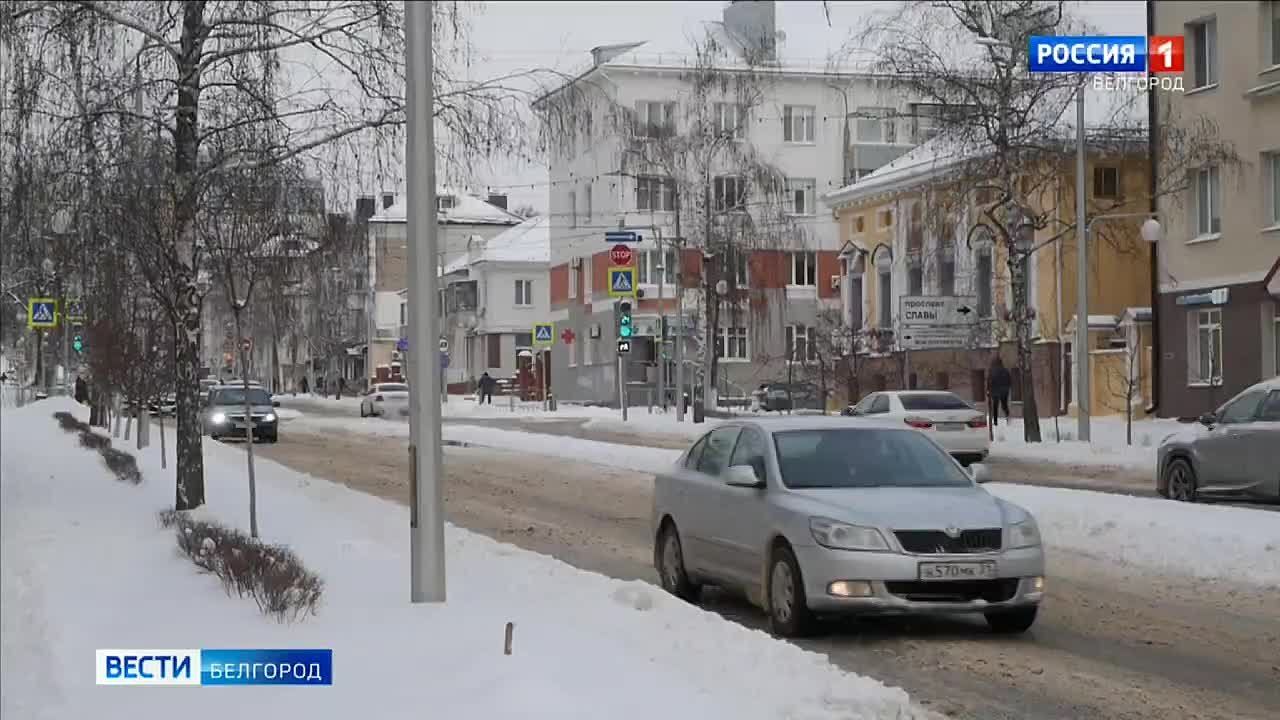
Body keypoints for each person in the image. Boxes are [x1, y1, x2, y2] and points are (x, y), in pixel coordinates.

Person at [988, 356, 1012, 426]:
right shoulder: (1006, 370)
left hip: (995, 391)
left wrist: (989, 390)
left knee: (995, 406)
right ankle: (1007, 417)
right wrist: (1007, 388)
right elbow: (1009, 381)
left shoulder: (992, 371)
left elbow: (990, 381)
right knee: (1004, 405)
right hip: (1004, 391)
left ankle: (995, 421)